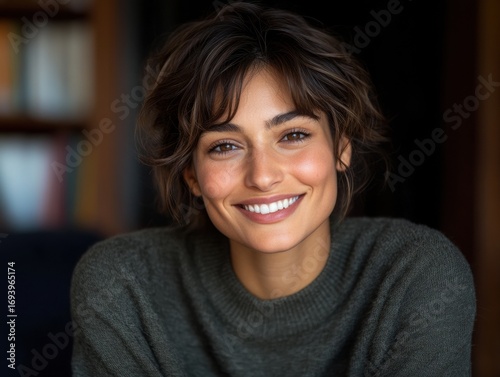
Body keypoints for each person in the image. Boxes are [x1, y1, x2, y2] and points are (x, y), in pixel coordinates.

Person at [70, 2, 476, 376]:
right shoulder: (121, 284)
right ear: (191, 175)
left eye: (293, 135)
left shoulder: (415, 275)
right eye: (225, 146)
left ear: (341, 148)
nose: (262, 176)